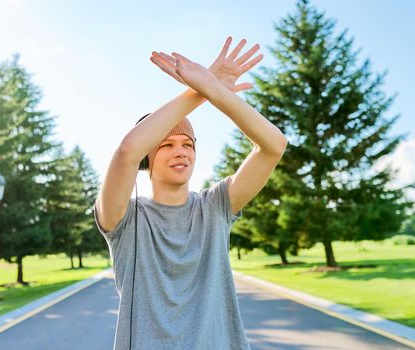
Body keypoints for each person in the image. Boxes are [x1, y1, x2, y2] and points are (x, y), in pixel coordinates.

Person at [94, 36, 288, 350]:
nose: (181, 152)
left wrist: (213, 88)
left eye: (188, 144)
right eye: (167, 145)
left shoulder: (215, 207)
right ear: (149, 157)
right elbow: (127, 150)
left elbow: (273, 146)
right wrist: (200, 91)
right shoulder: (125, 220)